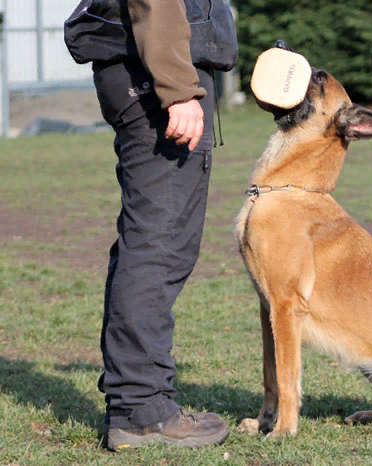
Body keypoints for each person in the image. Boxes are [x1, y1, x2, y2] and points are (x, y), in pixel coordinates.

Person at [64, 0, 237, 450]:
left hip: (144, 72)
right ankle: (142, 411)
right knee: (157, 247)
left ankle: (137, 400)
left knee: (151, 245)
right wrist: (179, 87)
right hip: (154, 78)